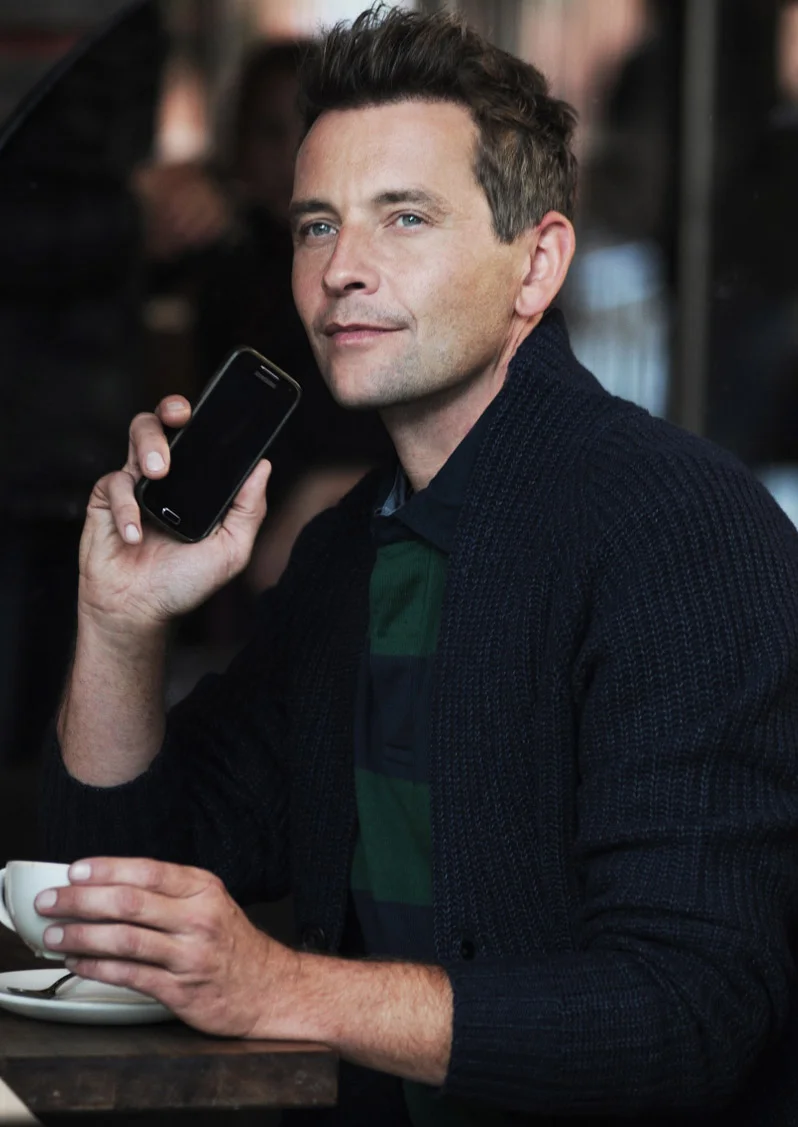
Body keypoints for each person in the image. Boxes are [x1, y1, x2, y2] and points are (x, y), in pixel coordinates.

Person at [37, 6, 798, 1124]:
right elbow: (118, 897)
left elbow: (687, 1011)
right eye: (315, 224)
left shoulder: (680, 530)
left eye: (405, 217)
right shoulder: (346, 552)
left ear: (536, 264)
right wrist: (120, 623)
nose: (342, 269)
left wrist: (280, 986)